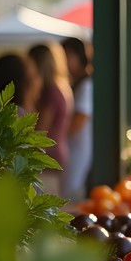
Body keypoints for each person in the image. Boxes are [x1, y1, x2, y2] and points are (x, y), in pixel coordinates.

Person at [28, 42, 74, 196]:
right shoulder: (62, 86)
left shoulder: (51, 92)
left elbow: (41, 131)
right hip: (58, 152)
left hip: (48, 156)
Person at [60, 38, 93, 201]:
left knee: (70, 195)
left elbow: (79, 120)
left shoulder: (86, 85)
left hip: (77, 151)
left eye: (66, 55)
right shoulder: (79, 84)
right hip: (74, 150)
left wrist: (57, 134)